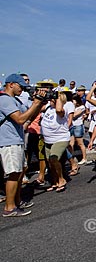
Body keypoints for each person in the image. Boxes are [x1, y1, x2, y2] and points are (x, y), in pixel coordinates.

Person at [0, 74, 46, 216]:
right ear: (11, 84)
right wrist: (36, 103)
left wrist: (38, 103)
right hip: (9, 141)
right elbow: (20, 119)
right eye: (21, 86)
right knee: (13, 174)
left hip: (17, 140)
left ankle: (16, 201)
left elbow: (30, 116)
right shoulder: (5, 100)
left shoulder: (16, 100)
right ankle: (9, 207)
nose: (23, 90)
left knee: (20, 171)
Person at [40, 91, 74, 192]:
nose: (51, 99)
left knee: (54, 158)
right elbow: (37, 108)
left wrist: (58, 96)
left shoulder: (62, 110)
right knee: (50, 163)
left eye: (53, 98)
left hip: (60, 139)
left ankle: (61, 179)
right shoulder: (47, 108)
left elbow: (59, 109)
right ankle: (55, 181)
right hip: (48, 140)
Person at [71, 95, 88, 166]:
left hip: (78, 126)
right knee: (71, 144)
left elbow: (74, 115)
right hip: (72, 126)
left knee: (80, 143)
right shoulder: (72, 107)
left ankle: (84, 158)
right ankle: (71, 158)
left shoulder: (82, 107)